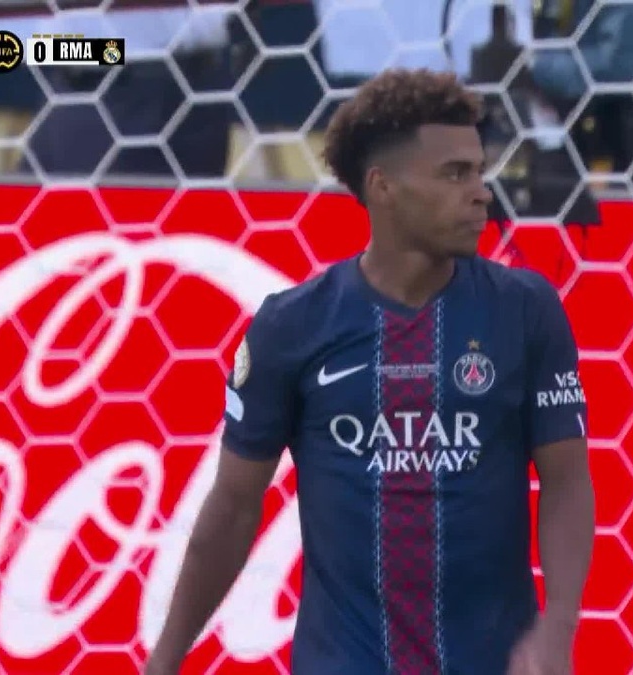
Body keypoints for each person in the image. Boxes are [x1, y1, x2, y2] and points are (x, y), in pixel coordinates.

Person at [144, 68, 595, 675]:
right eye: (455, 174)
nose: (481, 193)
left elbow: (566, 480)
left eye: (479, 171)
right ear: (384, 187)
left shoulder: (525, 309)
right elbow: (232, 508)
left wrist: (559, 626)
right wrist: (165, 662)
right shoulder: (293, 326)